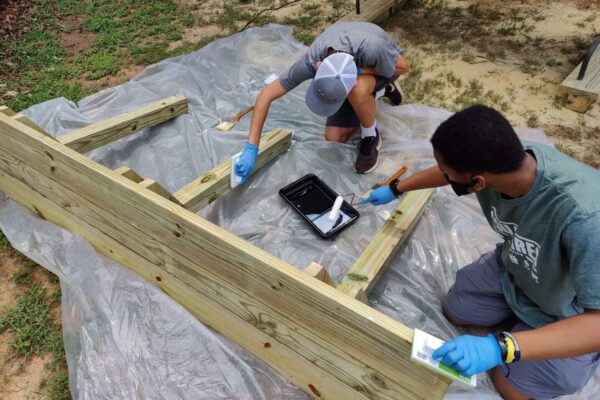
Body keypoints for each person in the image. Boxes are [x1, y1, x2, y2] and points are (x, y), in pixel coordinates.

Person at [362, 104, 600, 399]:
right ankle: (520, 321)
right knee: (456, 310)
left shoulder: (585, 220)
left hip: (567, 310)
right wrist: (397, 188)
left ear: (478, 182)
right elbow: (447, 171)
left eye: (449, 174)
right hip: (519, 268)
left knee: (510, 387)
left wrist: (501, 347)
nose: (444, 176)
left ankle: (573, 354)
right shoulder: (507, 157)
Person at [234, 21, 409, 183]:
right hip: (352, 65)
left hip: (380, 65)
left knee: (359, 91)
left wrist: (359, 71)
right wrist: (252, 147)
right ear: (319, 68)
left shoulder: (373, 48)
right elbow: (266, 95)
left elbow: (404, 67)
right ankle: (373, 95)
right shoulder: (312, 60)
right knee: (334, 137)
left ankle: (370, 135)